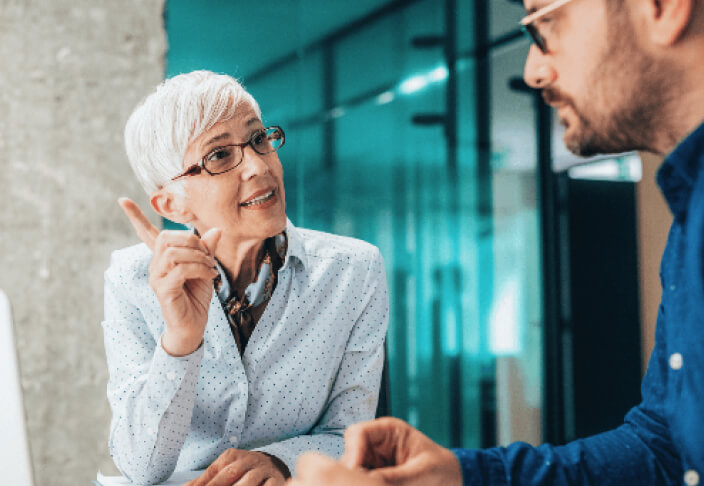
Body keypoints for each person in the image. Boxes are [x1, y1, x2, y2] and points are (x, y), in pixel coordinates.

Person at [291, 0, 704, 485]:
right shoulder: (688, 219)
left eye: (545, 23)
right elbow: (662, 448)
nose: (533, 70)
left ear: (662, 7)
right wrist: (460, 475)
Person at [101, 70, 389, 486]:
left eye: (258, 140)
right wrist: (181, 340)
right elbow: (139, 467)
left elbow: (354, 437)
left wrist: (280, 460)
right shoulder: (132, 279)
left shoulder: (353, 270)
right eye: (219, 156)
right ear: (173, 204)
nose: (258, 166)